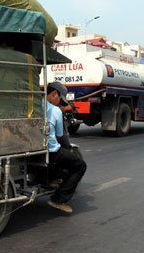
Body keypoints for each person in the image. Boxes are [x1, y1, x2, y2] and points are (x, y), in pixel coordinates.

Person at [45, 82, 87, 213]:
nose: (59, 102)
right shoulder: (56, 110)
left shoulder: (36, 104)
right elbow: (60, 136)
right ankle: (58, 199)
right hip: (51, 151)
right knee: (80, 165)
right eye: (59, 99)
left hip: (36, 149)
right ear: (54, 94)